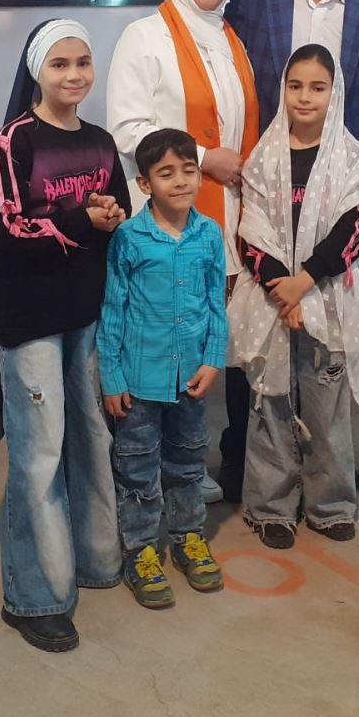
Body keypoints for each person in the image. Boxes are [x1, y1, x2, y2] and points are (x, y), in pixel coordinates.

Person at [221, 0, 359, 495]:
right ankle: (246, 458)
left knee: (328, 341)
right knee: (260, 317)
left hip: (337, 192)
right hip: (270, 184)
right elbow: (240, 87)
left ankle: (326, 475)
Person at [0, 19, 132, 654]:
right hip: (32, 321)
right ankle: (34, 596)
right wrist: (81, 216)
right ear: (37, 71)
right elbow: (8, 229)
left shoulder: (100, 142)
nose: (74, 75)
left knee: (93, 438)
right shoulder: (12, 142)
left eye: (83, 62)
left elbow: (117, 211)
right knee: (40, 454)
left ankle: (94, 560)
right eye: (60, 64)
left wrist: (111, 216)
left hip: (86, 313)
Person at [106, 0, 260, 504]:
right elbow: (127, 127)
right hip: (164, 226)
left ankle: (185, 464)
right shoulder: (144, 37)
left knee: (198, 336)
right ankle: (142, 473)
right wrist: (201, 157)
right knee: (157, 340)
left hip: (221, 215)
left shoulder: (230, 39)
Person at [229, 45, 359, 548]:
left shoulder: (352, 156)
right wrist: (285, 290)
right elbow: (250, 231)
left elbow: (355, 226)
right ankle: (270, 506)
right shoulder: (264, 156)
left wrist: (306, 281)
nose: (304, 97)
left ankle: (330, 503)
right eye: (295, 86)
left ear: (334, 93)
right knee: (271, 401)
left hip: (329, 295)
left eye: (317, 88)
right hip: (273, 298)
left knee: (327, 404)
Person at [98, 128, 228, 609]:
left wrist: (214, 358)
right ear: (145, 183)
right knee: (136, 468)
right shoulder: (130, 239)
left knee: (189, 462)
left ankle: (189, 536)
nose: (180, 181)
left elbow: (216, 302)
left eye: (188, 171)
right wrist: (112, 376)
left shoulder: (209, 234)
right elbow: (113, 310)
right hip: (138, 383)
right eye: (166, 173)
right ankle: (140, 550)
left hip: (190, 379)